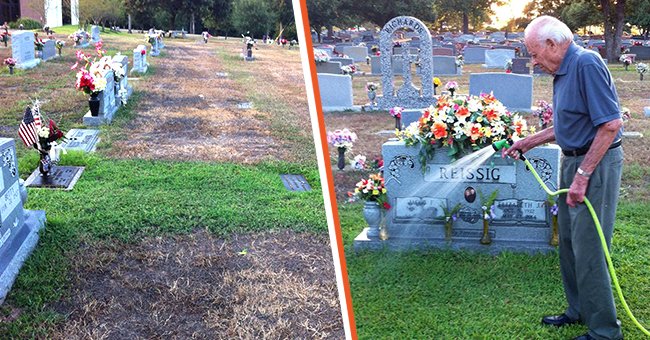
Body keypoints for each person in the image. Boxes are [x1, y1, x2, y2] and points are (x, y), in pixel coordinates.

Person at [502, 16, 624, 340]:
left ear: (553, 44)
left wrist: (583, 176)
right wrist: (528, 142)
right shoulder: (563, 71)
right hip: (575, 162)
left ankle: (604, 331)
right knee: (569, 243)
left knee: (590, 246)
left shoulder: (586, 64)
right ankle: (580, 309)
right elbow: (569, 124)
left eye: (535, 53)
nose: (533, 61)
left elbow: (610, 124)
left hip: (594, 164)